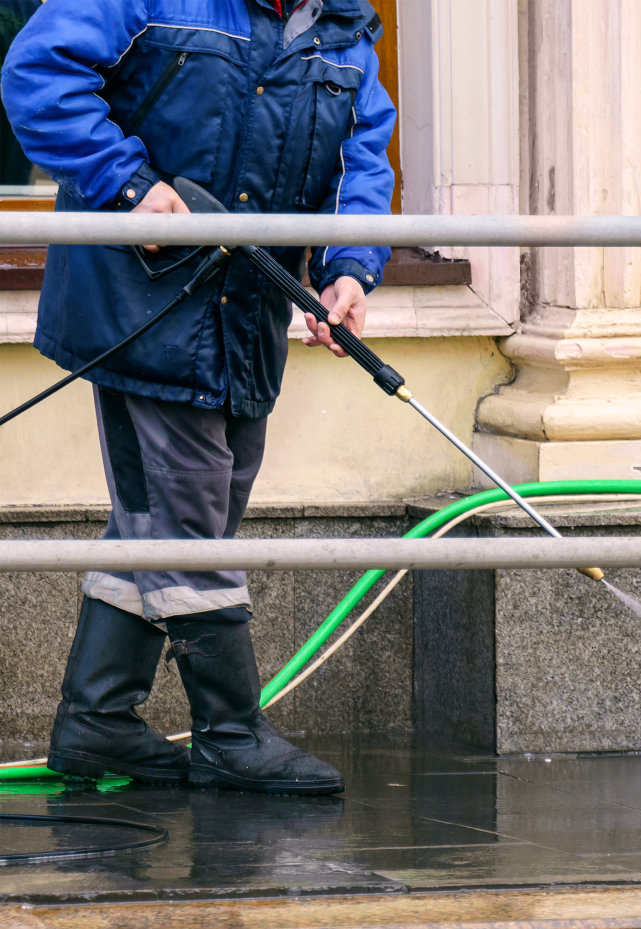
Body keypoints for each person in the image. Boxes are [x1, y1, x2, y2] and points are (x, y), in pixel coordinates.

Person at [1, 0, 397, 795]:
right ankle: (230, 731)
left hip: (245, 313)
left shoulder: (347, 34)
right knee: (188, 512)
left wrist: (350, 269)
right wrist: (129, 186)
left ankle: (97, 719)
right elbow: (38, 73)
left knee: (183, 510)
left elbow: (361, 164)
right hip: (141, 304)